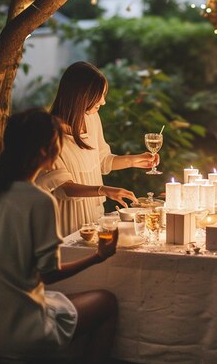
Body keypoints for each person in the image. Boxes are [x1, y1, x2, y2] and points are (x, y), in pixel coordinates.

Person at [0, 109, 118, 364]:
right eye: (57, 142)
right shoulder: (38, 200)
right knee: (107, 302)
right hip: (15, 330)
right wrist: (99, 256)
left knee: (59, 300)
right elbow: (48, 273)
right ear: (42, 151)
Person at [36, 62, 158, 236]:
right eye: (98, 95)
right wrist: (104, 190)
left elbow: (102, 160)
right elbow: (64, 186)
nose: (103, 101)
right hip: (66, 220)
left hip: (95, 215)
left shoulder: (91, 118)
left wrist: (135, 160)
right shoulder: (49, 132)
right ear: (79, 96)